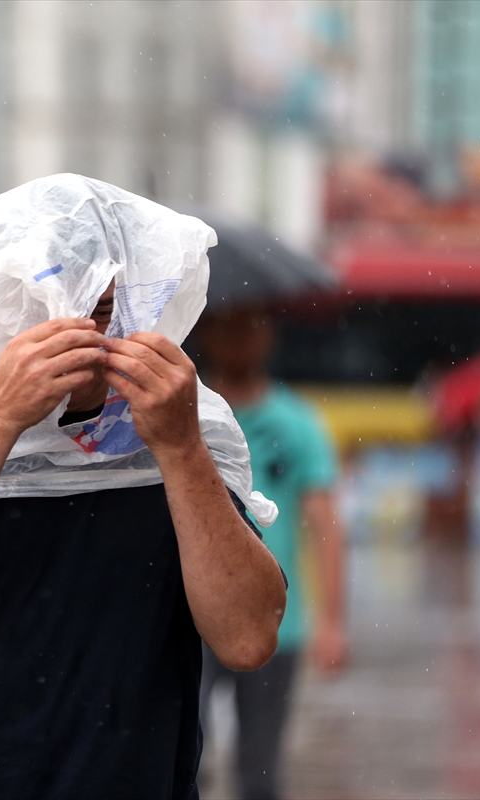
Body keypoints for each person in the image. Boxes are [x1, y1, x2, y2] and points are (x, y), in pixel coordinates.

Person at [0, 276, 288, 798]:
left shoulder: (176, 435)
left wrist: (182, 445)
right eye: (49, 313)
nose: (78, 337)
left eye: (101, 312)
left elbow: (249, 637)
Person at [194, 306, 346, 800]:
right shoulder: (188, 414)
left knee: (260, 771)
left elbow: (325, 523)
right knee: (182, 760)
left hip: (280, 620)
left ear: (270, 336)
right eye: (229, 327)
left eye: (252, 327)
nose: (240, 340)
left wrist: (333, 621)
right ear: (208, 335)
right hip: (194, 614)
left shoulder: (297, 422)